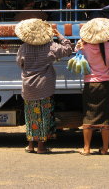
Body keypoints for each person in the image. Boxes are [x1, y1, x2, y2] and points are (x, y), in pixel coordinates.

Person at [15, 18, 72, 154]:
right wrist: (59, 35)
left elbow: (19, 63)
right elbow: (68, 49)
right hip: (44, 87)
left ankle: (30, 145)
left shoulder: (23, 48)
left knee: (30, 116)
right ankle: (41, 146)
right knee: (44, 116)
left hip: (28, 87)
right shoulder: (50, 46)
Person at [76, 18, 109, 155]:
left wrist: (81, 44)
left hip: (90, 84)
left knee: (88, 115)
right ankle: (105, 149)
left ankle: (86, 148)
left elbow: (76, 52)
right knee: (105, 116)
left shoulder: (84, 47)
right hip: (106, 84)